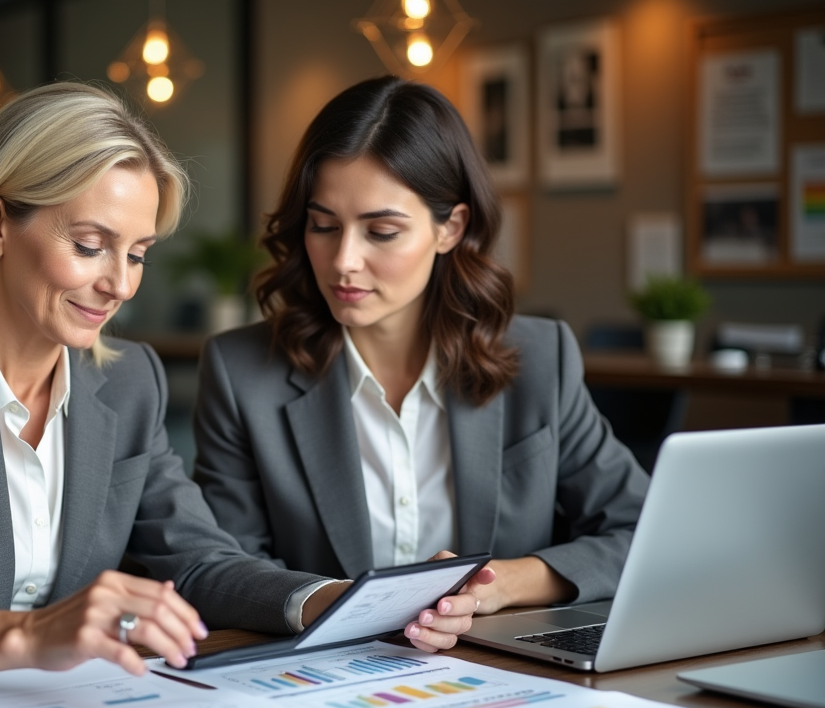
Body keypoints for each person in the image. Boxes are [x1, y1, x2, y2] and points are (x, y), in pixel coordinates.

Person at [0, 83, 480, 700]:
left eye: (138, 254)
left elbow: (200, 560)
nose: (118, 284)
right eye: (89, 246)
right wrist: (25, 635)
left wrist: (334, 602)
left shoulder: (127, 386)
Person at [192, 76, 649, 634]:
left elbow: (642, 530)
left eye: (381, 231)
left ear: (450, 228)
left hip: (501, 677)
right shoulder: (242, 374)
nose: (343, 261)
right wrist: (354, 607)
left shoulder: (540, 359)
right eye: (323, 226)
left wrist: (499, 585)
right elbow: (221, 572)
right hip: (322, 680)